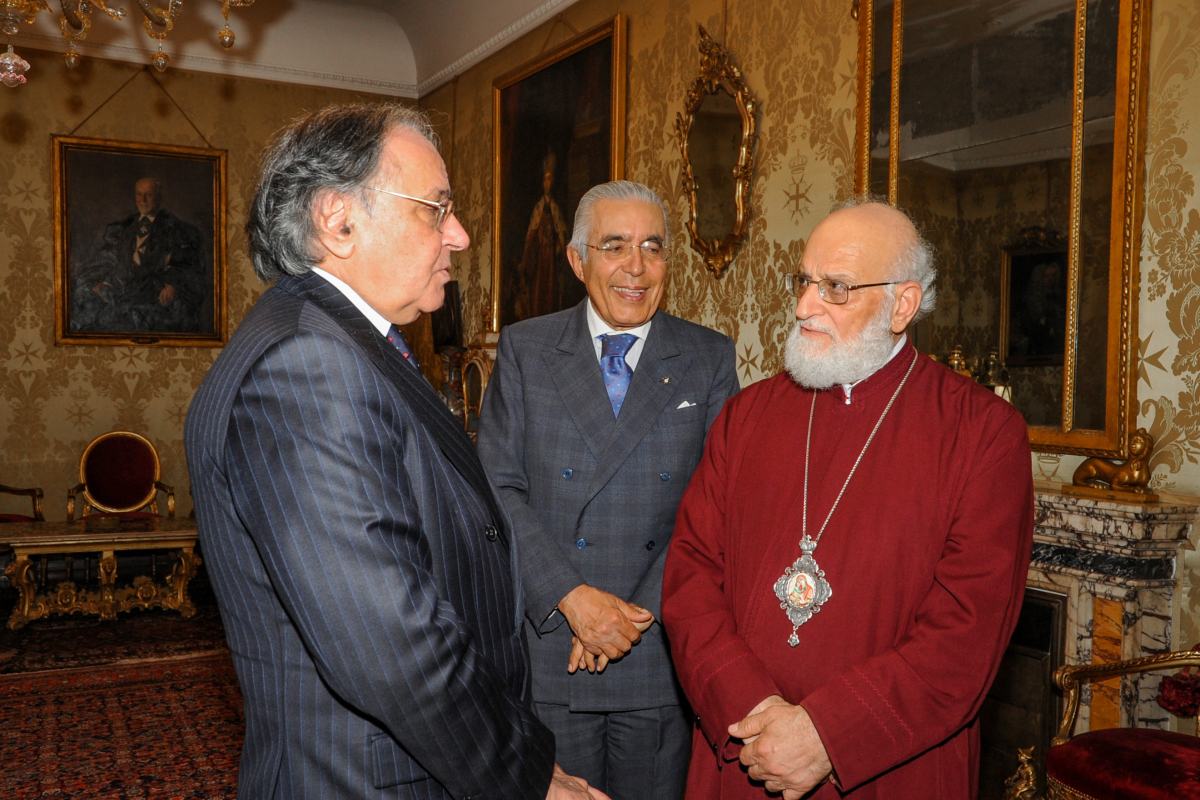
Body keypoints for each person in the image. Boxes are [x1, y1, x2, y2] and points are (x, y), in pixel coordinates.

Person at [185, 104, 607, 800]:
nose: (461, 235)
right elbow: (390, 645)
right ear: (338, 220)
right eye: (436, 208)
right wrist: (523, 779)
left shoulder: (339, 341)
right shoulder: (305, 363)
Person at [661, 198, 1034, 799]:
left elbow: (966, 633)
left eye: (835, 288)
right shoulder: (747, 416)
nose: (806, 305)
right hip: (743, 753)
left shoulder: (983, 434)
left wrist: (828, 734)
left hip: (888, 767)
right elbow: (691, 576)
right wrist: (751, 709)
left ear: (902, 305)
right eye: (804, 281)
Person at [477, 180, 740, 800]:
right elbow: (498, 487)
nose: (637, 268)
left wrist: (625, 620)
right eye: (615, 246)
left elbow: (717, 506)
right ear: (577, 259)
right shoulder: (527, 348)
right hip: (553, 642)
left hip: (653, 651)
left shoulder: (707, 357)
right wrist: (574, 599)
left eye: (653, 248)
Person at [72, 177, 206, 333]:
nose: (143, 200)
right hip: (123, 296)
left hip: (154, 300)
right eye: (139, 194)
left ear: (159, 197)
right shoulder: (123, 228)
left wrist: (173, 284)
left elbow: (189, 266)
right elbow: (107, 259)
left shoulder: (179, 230)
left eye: (148, 195)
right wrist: (101, 280)